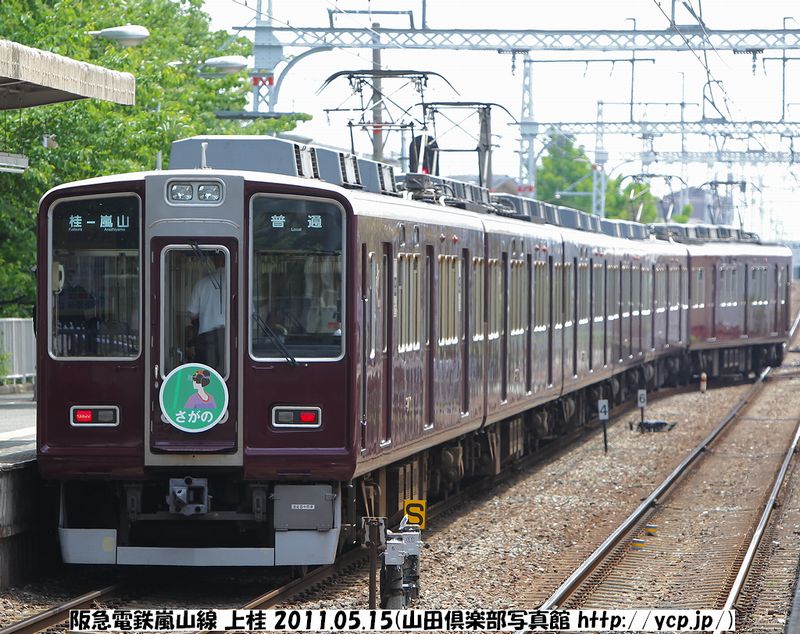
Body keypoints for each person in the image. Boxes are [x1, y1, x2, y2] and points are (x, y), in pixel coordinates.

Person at [186, 252, 226, 373]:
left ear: (214, 261)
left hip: (208, 338)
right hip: (234, 337)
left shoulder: (202, 283)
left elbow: (192, 315)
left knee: (209, 375)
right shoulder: (241, 283)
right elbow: (250, 313)